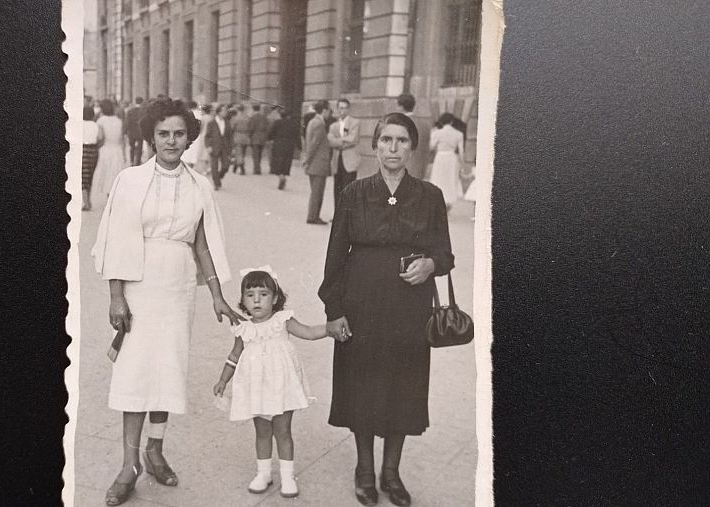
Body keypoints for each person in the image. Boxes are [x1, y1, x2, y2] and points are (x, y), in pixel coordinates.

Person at [91, 97, 244, 506]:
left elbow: (202, 243)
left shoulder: (200, 185)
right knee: (136, 374)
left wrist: (217, 295)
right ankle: (129, 465)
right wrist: (116, 296)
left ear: (189, 136)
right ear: (152, 136)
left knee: (167, 370)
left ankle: (155, 450)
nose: (172, 141)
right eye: (164, 133)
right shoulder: (130, 180)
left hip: (177, 288)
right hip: (139, 285)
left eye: (179, 133)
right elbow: (115, 239)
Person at [318, 113, 454, 507]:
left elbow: (445, 253)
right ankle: (364, 469)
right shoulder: (354, 194)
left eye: (401, 141)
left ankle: (391, 472)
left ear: (412, 147)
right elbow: (334, 258)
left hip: (409, 309)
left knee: (403, 387)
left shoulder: (430, 196)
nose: (393, 148)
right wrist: (334, 309)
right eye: (386, 140)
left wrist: (430, 264)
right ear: (374, 145)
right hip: (361, 305)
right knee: (361, 385)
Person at [213, 267, 343, 499]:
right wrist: (223, 380)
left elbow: (309, 332)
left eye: (263, 294)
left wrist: (329, 329)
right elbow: (234, 357)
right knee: (262, 431)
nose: (256, 300)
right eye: (250, 295)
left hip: (282, 387)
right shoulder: (243, 329)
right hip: (257, 389)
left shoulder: (282, 321)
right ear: (243, 300)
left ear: (275, 299)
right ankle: (263, 473)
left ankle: (287, 476)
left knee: (283, 431)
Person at [328, 98, 361, 211]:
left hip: (350, 160)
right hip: (337, 160)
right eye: (341, 108)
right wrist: (343, 141)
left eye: (345, 108)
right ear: (337, 109)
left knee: (349, 189)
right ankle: (338, 214)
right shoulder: (333, 126)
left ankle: (348, 215)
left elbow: (353, 139)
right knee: (337, 188)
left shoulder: (355, 122)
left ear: (349, 109)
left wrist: (338, 142)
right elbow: (330, 141)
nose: (343, 110)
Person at [303, 100, 332, 225]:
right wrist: (307, 160)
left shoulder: (312, 121)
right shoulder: (320, 124)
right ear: (324, 110)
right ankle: (313, 216)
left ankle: (313, 215)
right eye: (329, 110)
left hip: (314, 163)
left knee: (315, 191)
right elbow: (314, 144)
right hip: (318, 163)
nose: (330, 113)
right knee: (317, 192)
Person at [92, 100, 126, 206]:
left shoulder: (101, 121)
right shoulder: (119, 121)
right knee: (114, 174)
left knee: (106, 174)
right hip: (117, 150)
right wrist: (124, 154)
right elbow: (122, 140)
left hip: (106, 149)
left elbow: (100, 137)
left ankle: (109, 197)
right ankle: (113, 197)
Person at [428, 112, 465, 211]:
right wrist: (462, 165)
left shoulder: (437, 133)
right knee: (450, 180)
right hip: (452, 158)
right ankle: (448, 203)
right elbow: (461, 152)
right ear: (452, 122)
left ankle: (439, 202)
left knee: (439, 179)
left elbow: (431, 147)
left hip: (440, 157)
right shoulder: (459, 134)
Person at [267, 108, 302, 190]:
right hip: (289, 146)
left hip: (278, 144)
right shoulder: (293, 124)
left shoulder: (277, 122)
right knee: (286, 161)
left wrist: (270, 139)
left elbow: (270, 133)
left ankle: (281, 176)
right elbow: (297, 136)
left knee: (277, 161)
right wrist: (299, 146)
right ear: (289, 116)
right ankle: (284, 174)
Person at [204, 104, 233, 190]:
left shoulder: (227, 122)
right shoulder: (211, 123)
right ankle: (217, 183)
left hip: (225, 147)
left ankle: (219, 176)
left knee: (226, 166)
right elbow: (207, 136)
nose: (226, 112)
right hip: (214, 147)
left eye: (226, 111)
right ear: (219, 112)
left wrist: (232, 147)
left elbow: (230, 136)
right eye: (224, 111)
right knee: (214, 166)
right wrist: (208, 146)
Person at [82, 105, 104, 211]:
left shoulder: (79, 125)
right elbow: (101, 138)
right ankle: (88, 200)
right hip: (93, 151)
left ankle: (86, 203)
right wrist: (95, 147)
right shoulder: (97, 126)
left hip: (83, 150)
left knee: (83, 176)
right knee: (89, 175)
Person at [248, 104, 270, 174]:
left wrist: (250, 136)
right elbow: (267, 127)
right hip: (262, 138)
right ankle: (258, 168)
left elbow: (251, 128)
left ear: (253, 109)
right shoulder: (264, 117)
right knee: (260, 154)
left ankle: (257, 169)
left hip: (255, 138)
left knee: (255, 155)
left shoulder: (253, 117)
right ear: (259, 109)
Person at [231, 105, 251, 175]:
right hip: (246, 137)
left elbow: (232, 128)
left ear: (238, 110)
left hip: (237, 136)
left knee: (239, 153)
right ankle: (235, 167)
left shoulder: (235, 118)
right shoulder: (248, 118)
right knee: (242, 153)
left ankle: (242, 169)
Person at [124, 96, 145, 165]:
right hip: (140, 132)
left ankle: (131, 161)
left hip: (131, 132)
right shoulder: (143, 111)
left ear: (135, 102)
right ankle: (138, 161)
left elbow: (127, 122)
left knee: (132, 147)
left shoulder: (130, 111)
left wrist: (126, 131)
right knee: (139, 148)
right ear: (142, 102)